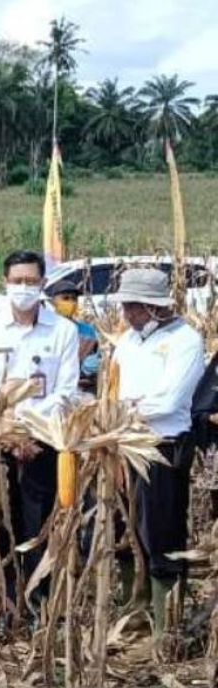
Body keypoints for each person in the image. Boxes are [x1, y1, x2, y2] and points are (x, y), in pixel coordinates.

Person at [0, 251, 80, 601]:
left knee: (40, 522)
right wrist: (4, 429)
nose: (24, 288)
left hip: (44, 441)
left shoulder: (62, 331)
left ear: (43, 283)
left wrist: (29, 431)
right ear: (5, 283)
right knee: (0, 520)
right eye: (17, 281)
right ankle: (3, 598)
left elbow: (67, 389)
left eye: (31, 281)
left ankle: (38, 597)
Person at [111, 268, 205, 636]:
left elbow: (169, 401)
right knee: (126, 529)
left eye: (133, 306)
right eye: (126, 306)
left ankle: (168, 622)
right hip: (122, 447)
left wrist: (125, 410)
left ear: (154, 307)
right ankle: (135, 607)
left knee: (162, 531)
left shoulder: (185, 341)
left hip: (162, 448)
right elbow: (112, 387)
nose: (127, 314)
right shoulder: (128, 341)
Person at [46, 279, 100, 393]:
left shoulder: (87, 331)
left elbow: (94, 364)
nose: (71, 302)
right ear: (53, 302)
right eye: (65, 298)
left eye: (74, 299)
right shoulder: (46, 330)